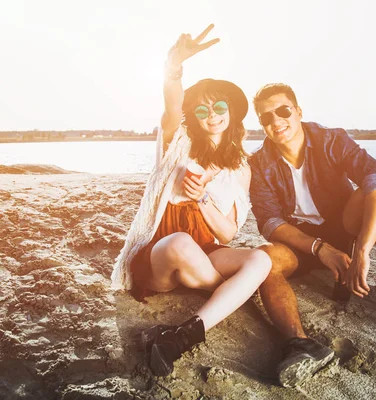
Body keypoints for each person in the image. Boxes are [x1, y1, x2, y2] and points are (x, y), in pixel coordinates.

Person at [249, 83, 376, 387]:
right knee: (264, 258)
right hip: (300, 241)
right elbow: (270, 222)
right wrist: (320, 249)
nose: (276, 121)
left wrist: (362, 250)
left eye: (283, 111)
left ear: (298, 112)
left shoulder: (330, 139)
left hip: (342, 227)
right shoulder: (258, 163)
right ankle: (299, 343)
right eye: (265, 117)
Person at [111, 25, 275, 377]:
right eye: (201, 111)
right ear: (194, 118)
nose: (212, 115)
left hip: (206, 251)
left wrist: (202, 200)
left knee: (260, 260)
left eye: (218, 107)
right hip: (163, 252)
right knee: (182, 243)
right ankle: (231, 292)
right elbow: (172, 105)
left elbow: (228, 233)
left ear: (230, 111)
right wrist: (174, 65)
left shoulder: (241, 167)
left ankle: (184, 335)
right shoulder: (177, 140)